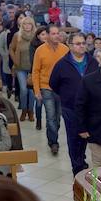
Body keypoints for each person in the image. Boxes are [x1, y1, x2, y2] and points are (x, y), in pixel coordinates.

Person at [49, 32, 98, 174]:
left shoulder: (92, 62)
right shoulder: (62, 64)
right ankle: (77, 167)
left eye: (84, 43)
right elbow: (53, 83)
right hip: (70, 107)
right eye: (78, 43)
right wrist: (67, 95)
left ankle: (81, 159)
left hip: (89, 108)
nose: (82, 46)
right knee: (74, 136)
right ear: (70, 46)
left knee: (85, 136)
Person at [33, 25, 70, 155]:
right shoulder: (40, 50)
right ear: (47, 35)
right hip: (46, 87)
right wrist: (37, 90)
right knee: (50, 117)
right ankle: (53, 142)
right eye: (53, 33)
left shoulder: (65, 49)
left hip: (61, 89)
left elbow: (69, 70)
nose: (56, 36)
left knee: (57, 118)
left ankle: (53, 136)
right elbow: (36, 71)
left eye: (57, 33)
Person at [8, 15, 37, 122]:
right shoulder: (17, 36)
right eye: (25, 23)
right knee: (24, 90)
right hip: (20, 67)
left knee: (31, 92)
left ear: (32, 25)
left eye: (29, 24)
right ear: (21, 25)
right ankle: (24, 110)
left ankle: (31, 111)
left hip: (33, 68)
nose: (27, 26)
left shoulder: (35, 36)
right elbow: (11, 48)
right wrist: (15, 60)